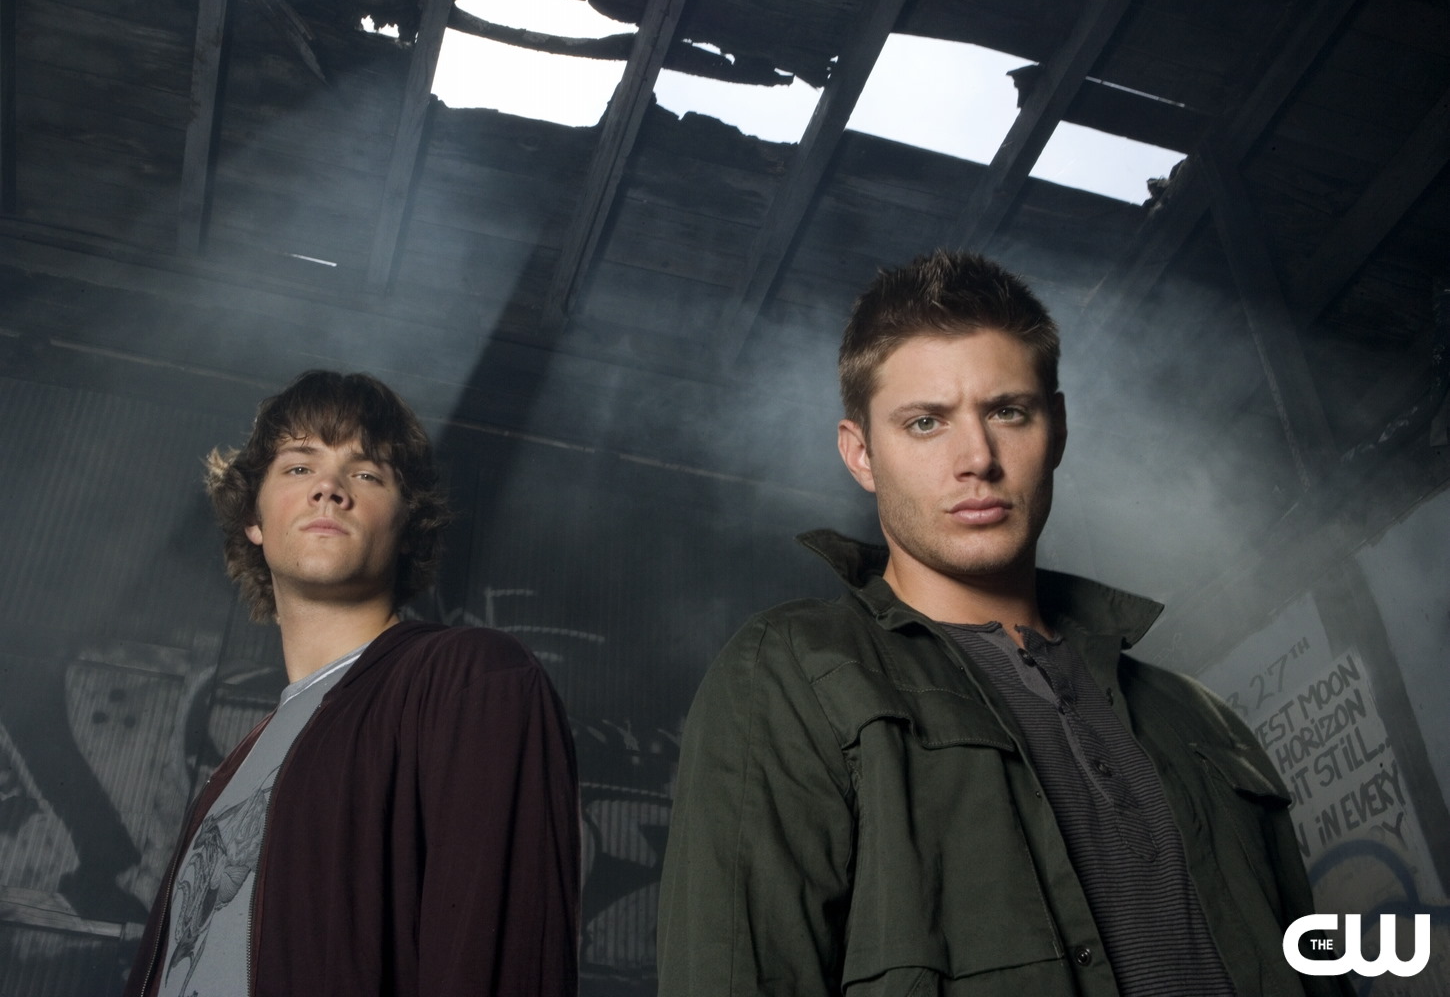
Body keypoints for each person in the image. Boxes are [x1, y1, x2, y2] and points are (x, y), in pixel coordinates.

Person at [657, 252, 1341, 996]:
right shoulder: (794, 671)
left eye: (1008, 412)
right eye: (926, 423)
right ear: (861, 454)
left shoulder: (1200, 719)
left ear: (1058, 428)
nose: (977, 459)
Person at [125, 371, 580, 997]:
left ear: (408, 524)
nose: (329, 489)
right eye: (298, 467)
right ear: (254, 518)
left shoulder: (471, 679)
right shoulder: (236, 769)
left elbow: (502, 962)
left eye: (366, 474)